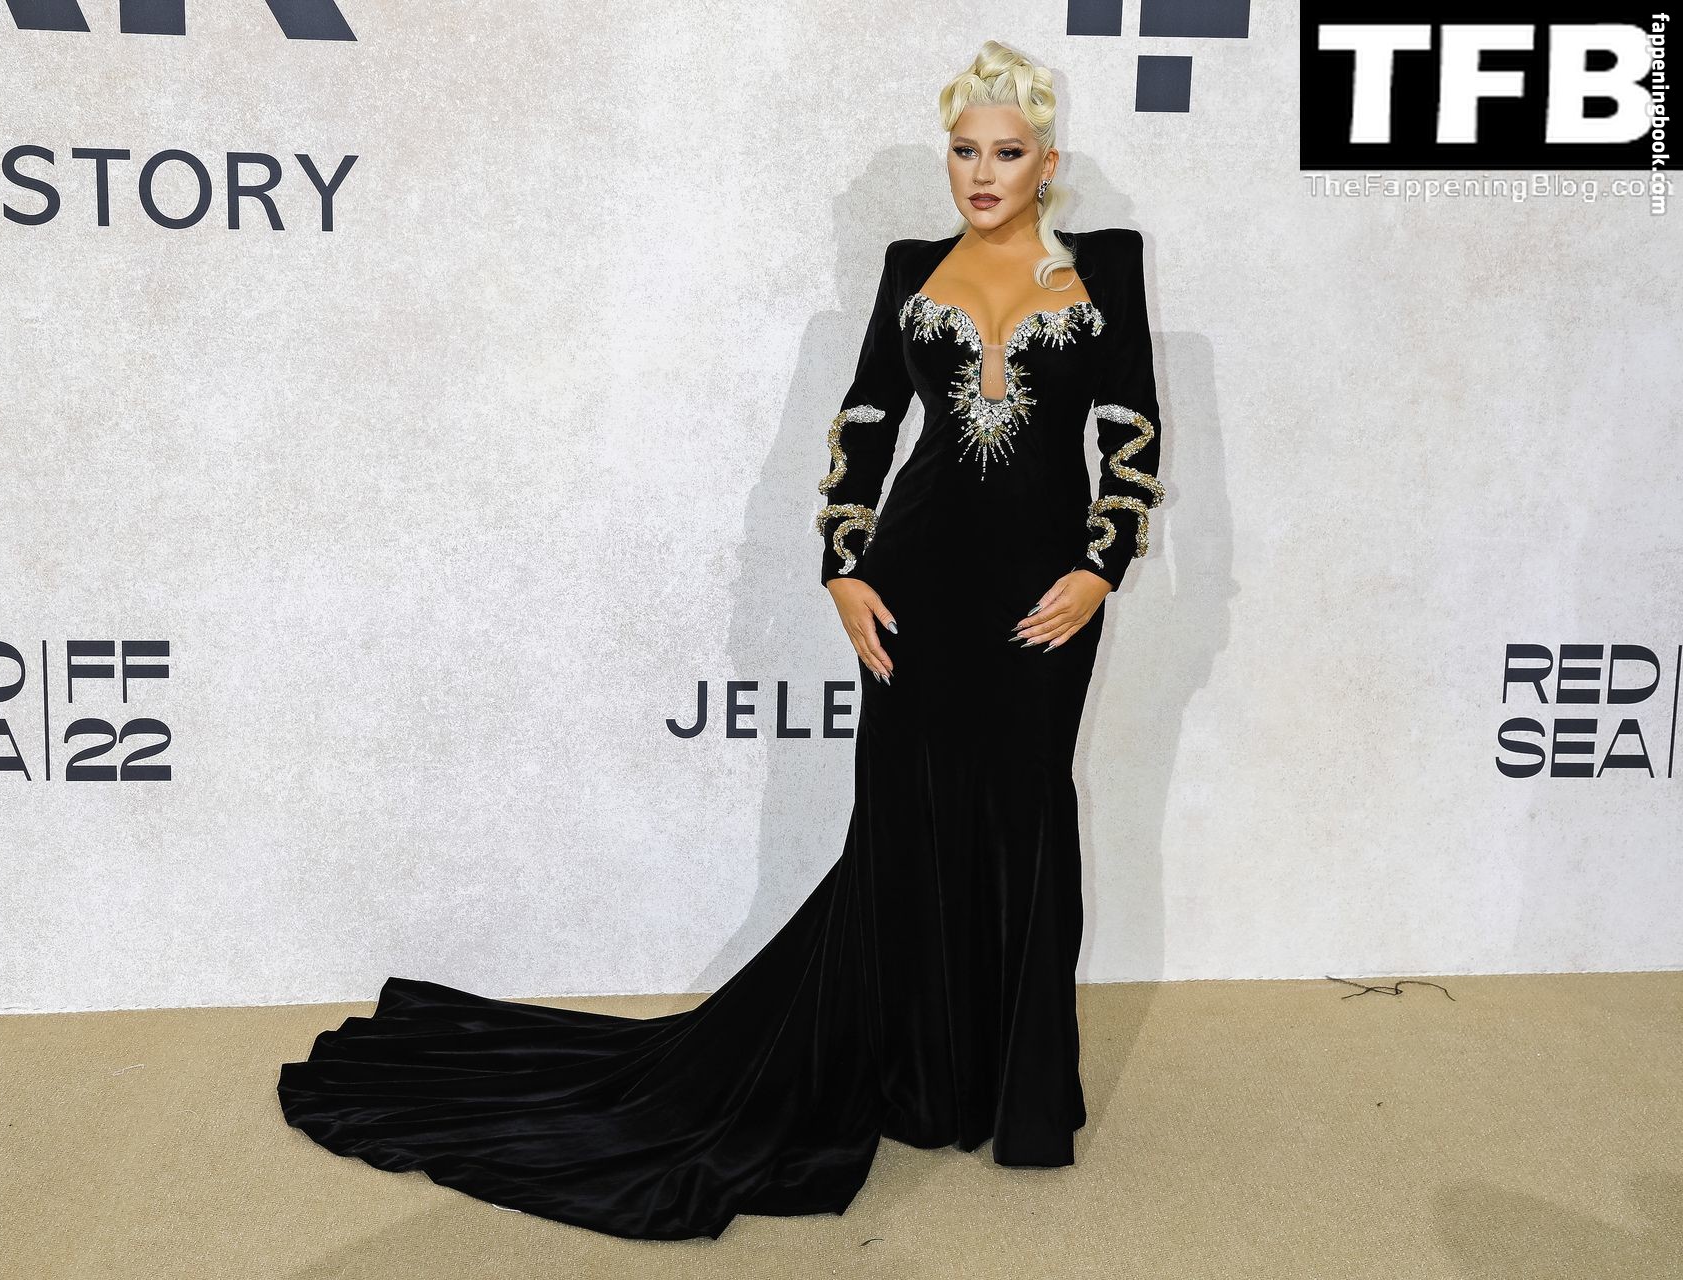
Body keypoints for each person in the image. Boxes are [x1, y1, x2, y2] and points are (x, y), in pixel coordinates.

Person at [276, 38, 1166, 1242]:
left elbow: (1131, 432)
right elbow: (864, 425)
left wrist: (1100, 565)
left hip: (1043, 599)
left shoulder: (1106, 268)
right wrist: (843, 567)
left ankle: (1019, 1097)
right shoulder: (912, 268)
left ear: (1046, 163)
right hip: (915, 591)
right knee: (907, 825)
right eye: (963, 150)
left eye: (1006, 153)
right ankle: (921, 1081)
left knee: (1028, 819)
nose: (980, 173)